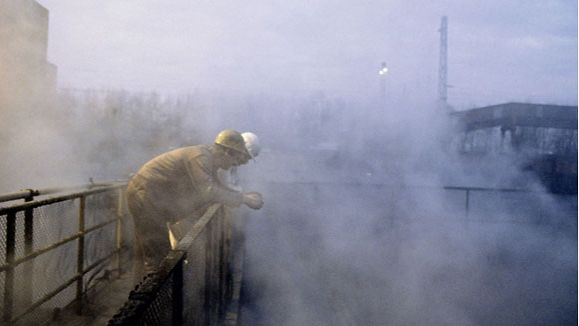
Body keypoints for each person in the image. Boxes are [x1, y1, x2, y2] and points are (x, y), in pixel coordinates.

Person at [126, 129, 264, 269]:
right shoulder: (200, 157)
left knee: (153, 249)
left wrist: (244, 197)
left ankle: (144, 282)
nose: (237, 164)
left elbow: (216, 187)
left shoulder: (208, 159)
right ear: (227, 152)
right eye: (236, 160)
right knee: (158, 254)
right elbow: (208, 191)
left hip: (151, 197)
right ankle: (152, 285)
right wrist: (243, 199)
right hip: (145, 194)